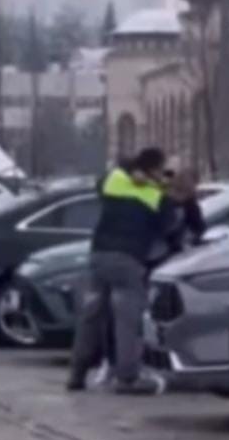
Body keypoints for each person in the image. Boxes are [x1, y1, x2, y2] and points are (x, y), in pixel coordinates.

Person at [67, 148, 172, 395]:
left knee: (91, 316)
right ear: (155, 169)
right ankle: (128, 378)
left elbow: (102, 179)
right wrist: (163, 188)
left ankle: (77, 374)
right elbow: (168, 225)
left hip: (99, 254)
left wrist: (131, 170)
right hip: (128, 259)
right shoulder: (156, 195)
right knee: (127, 320)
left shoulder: (115, 181)